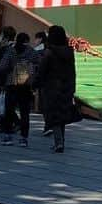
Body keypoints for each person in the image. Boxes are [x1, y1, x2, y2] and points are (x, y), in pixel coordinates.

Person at [34, 24, 77, 154]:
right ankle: (61, 141)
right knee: (62, 115)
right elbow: (72, 71)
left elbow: (42, 70)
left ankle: (58, 142)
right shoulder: (69, 52)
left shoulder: (49, 52)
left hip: (51, 87)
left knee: (54, 115)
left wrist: (35, 83)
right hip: (67, 86)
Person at [0, 32, 38, 146]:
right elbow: (38, 62)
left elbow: (2, 65)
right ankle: (23, 138)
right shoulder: (31, 51)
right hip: (25, 84)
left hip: (11, 84)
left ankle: (8, 136)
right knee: (25, 112)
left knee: (9, 110)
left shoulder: (11, 51)